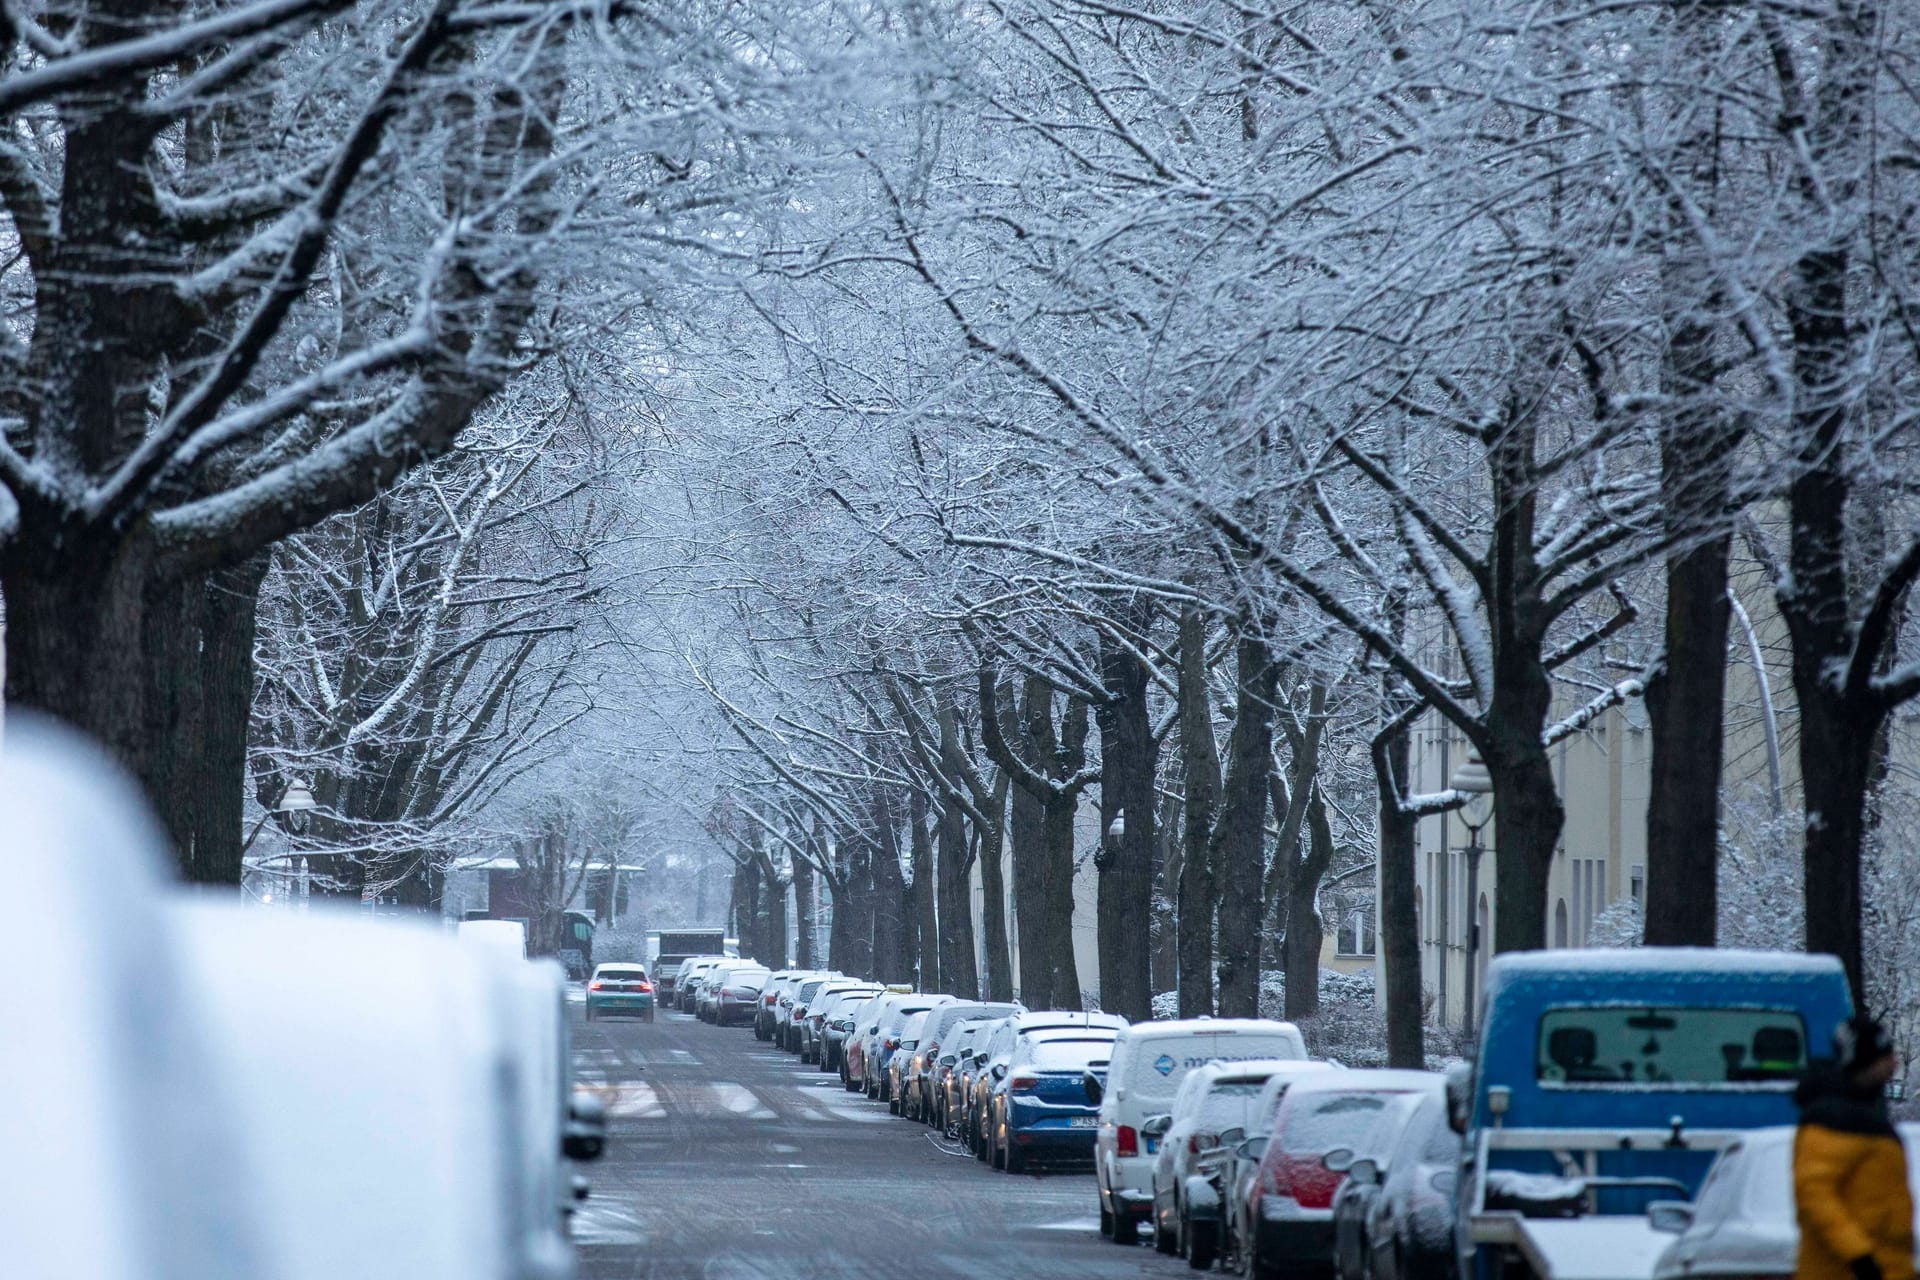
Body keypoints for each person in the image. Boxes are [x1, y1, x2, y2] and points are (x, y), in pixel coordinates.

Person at [1794, 1014, 1913, 1280]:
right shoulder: (1835, 1120)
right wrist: (1860, 1256)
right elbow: (1815, 1193)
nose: (1894, 1064)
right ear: (1865, 1062)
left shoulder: (1860, 1115)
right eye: (1885, 1056)